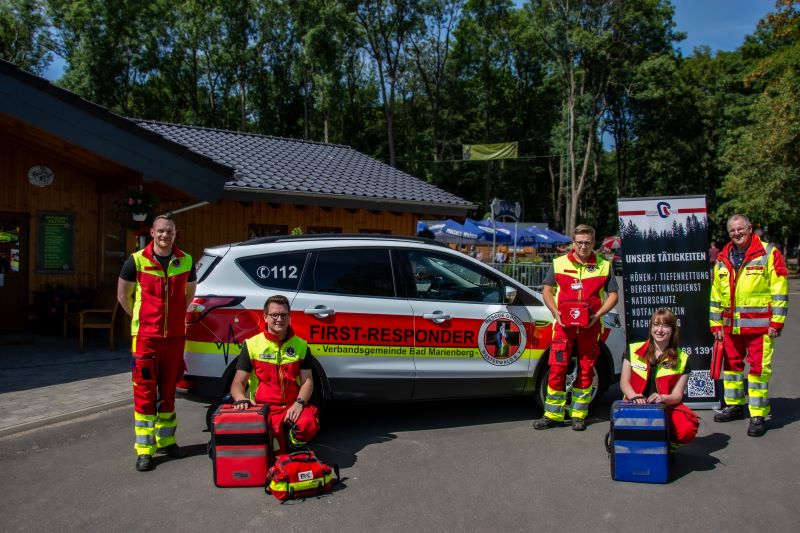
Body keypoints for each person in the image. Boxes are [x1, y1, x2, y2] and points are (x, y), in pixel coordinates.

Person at [117, 215, 196, 472]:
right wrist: (142, 319)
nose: (165, 235)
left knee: (169, 392)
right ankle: (145, 450)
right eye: (160, 231)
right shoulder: (136, 260)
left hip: (174, 338)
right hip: (146, 340)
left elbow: (189, 294)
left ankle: (167, 441)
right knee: (145, 394)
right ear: (152, 232)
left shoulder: (186, 260)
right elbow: (123, 296)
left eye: (169, 232)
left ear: (175, 234)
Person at [710, 214, 789, 437]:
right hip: (729, 327)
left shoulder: (768, 253)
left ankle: (758, 414)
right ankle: (734, 405)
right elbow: (715, 294)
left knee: (758, 371)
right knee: (732, 367)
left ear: (750, 228)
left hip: (760, 327)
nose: (737, 233)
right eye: (732, 230)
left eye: (740, 229)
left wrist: (777, 321)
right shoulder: (723, 257)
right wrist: (715, 325)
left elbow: (779, 290)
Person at [534, 224, 619, 431]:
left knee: (586, 368)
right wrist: (556, 313)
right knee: (557, 367)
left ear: (593, 243)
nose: (583, 246)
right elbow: (547, 291)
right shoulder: (559, 263)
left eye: (587, 243)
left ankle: (579, 414)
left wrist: (598, 315)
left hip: (590, 327)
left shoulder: (603, 265)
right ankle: (551, 414)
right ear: (574, 243)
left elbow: (614, 296)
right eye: (579, 242)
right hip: (564, 327)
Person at [230, 294, 320, 454]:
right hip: (263, 408)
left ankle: (293, 446)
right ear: (265, 317)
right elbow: (238, 383)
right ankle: (280, 446)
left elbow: (308, 382)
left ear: (289, 317)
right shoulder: (252, 345)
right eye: (274, 315)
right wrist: (240, 398)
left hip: (292, 406)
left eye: (284, 315)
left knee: (309, 424)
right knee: (267, 452)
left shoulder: (301, 346)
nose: (279, 319)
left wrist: (299, 403)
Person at [620, 308, 698, 449]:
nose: (659, 330)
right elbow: (624, 383)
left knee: (687, 429)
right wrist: (633, 396)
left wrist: (662, 398)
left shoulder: (682, 358)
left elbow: (677, 396)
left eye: (665, 326)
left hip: (664, 407)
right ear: (651, 328)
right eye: (656, 325)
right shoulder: (633, 350)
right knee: (634, 440)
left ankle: (668, 450)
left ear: (673, 330)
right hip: (635, 406)